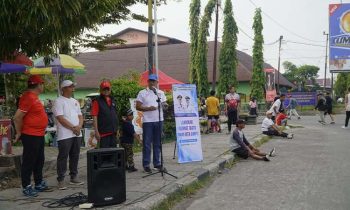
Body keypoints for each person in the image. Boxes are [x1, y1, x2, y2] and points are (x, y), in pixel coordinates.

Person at [13, 75, 48, 197]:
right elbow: (17, 117)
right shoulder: (28, 97)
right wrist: (18, 132)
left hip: (39, 134)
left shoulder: (34, 97)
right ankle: (26, 186)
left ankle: (38, 182)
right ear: (38, 85)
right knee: (29, 161)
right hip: (30, 135)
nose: (43, 86)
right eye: (42, 84)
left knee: (39, 160)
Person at [53, 80, 84, 190]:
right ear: (64, 88)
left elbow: (80, 116)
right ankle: (61, 179)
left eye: (73, 86)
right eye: (71, 86)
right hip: (65, 134)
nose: (73, 88)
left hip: (76, 133)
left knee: (75, 155)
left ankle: (73, 177)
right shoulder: (58, 101)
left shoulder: (75, 101)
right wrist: (73, 128)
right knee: (63, 156)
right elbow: (60, 118)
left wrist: (79, 126)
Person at [136, 74, 168, 173]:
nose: (152, 83)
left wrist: (165, 105)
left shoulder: (160, 93)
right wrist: (148, 108)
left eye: (153, 81)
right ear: (148, 82)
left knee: (158, 143)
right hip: (148, 122)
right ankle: (146, 164)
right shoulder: (142, 93)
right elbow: (138, 107)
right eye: (150, 81)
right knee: (147, 144)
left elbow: (164, 105)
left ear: (157, 82)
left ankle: (157, 164)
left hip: (159, 120)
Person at [91, 80, 118, 148]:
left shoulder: (113, 100)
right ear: (101, 90)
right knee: (105, 155)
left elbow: (115, 115)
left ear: (110, 89)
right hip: (103, 134)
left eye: (107, 89)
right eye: (104, 89)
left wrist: (117, 129)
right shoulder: (97, 101)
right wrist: (96, 132)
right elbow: (95, 117)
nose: (106, 91)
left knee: (114, 154)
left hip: (113, 132)